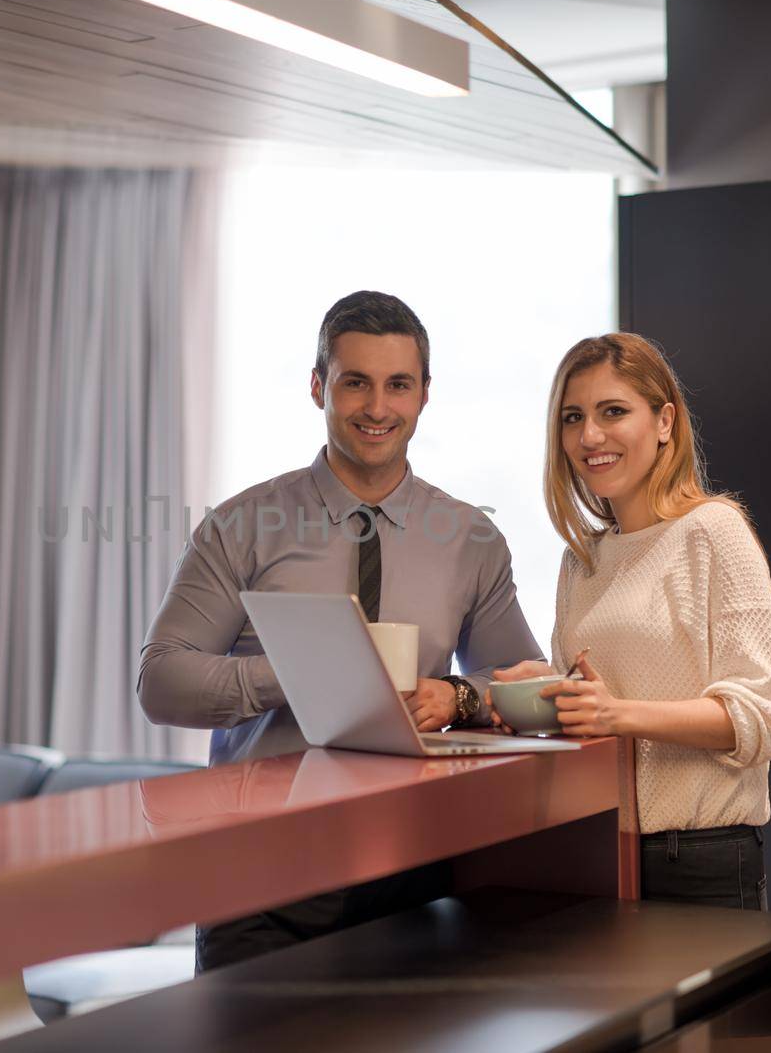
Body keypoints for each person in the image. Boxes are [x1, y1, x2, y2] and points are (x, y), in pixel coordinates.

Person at [139, 290, 542, 968]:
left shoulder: (471, 540)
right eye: (355, 383)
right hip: (258, 884)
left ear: (424, 395)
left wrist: (458, 696)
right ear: (319, 386)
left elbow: (525, 686)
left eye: (398, 385)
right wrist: (306, 673)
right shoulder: (239, 526)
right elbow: (161, 681)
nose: (377, 408)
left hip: (414, 876)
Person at [496, 332, 771, 910]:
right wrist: (542, 694)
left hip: (699, 861)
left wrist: (618, 714)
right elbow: (594, 708)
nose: (589, 436)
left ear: (664, 422)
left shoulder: (713, 532)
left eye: (613, 412)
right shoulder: (581, 560)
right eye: (572, 417)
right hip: (596, 851)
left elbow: (768, 715)